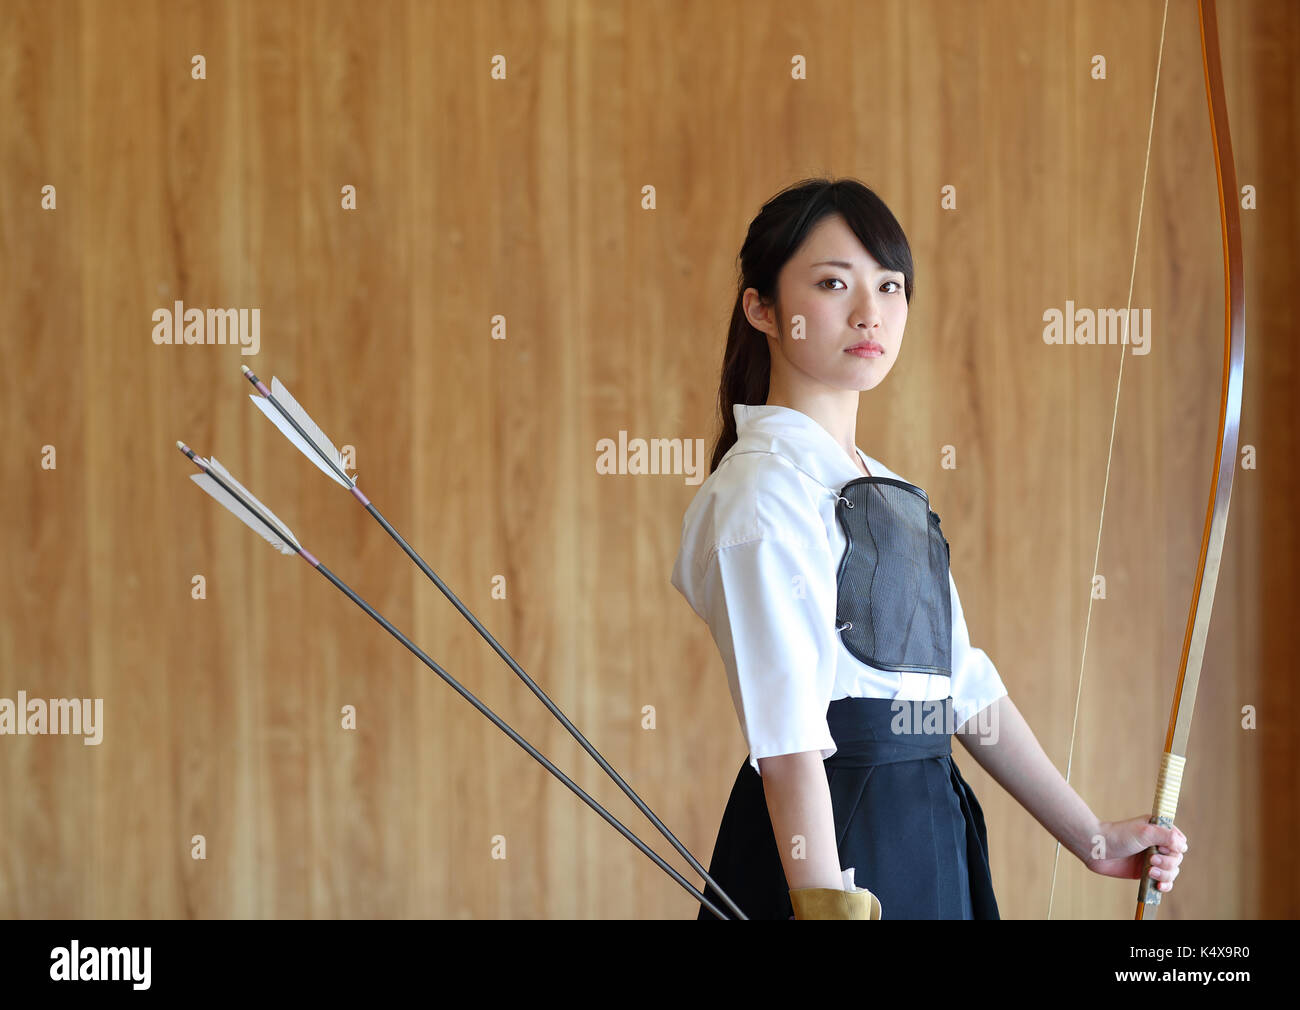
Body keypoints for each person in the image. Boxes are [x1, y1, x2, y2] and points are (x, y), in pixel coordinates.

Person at [671, 177, 1188, 920]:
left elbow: (962, 689)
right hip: (833, 843)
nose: (869, 312)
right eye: (831, 283)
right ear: (762, 309)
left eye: (890, 286)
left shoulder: (887, 488)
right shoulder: (758, 494)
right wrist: (828, 908)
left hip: (927, 822)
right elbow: (787, 746)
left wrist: (1094, 838)